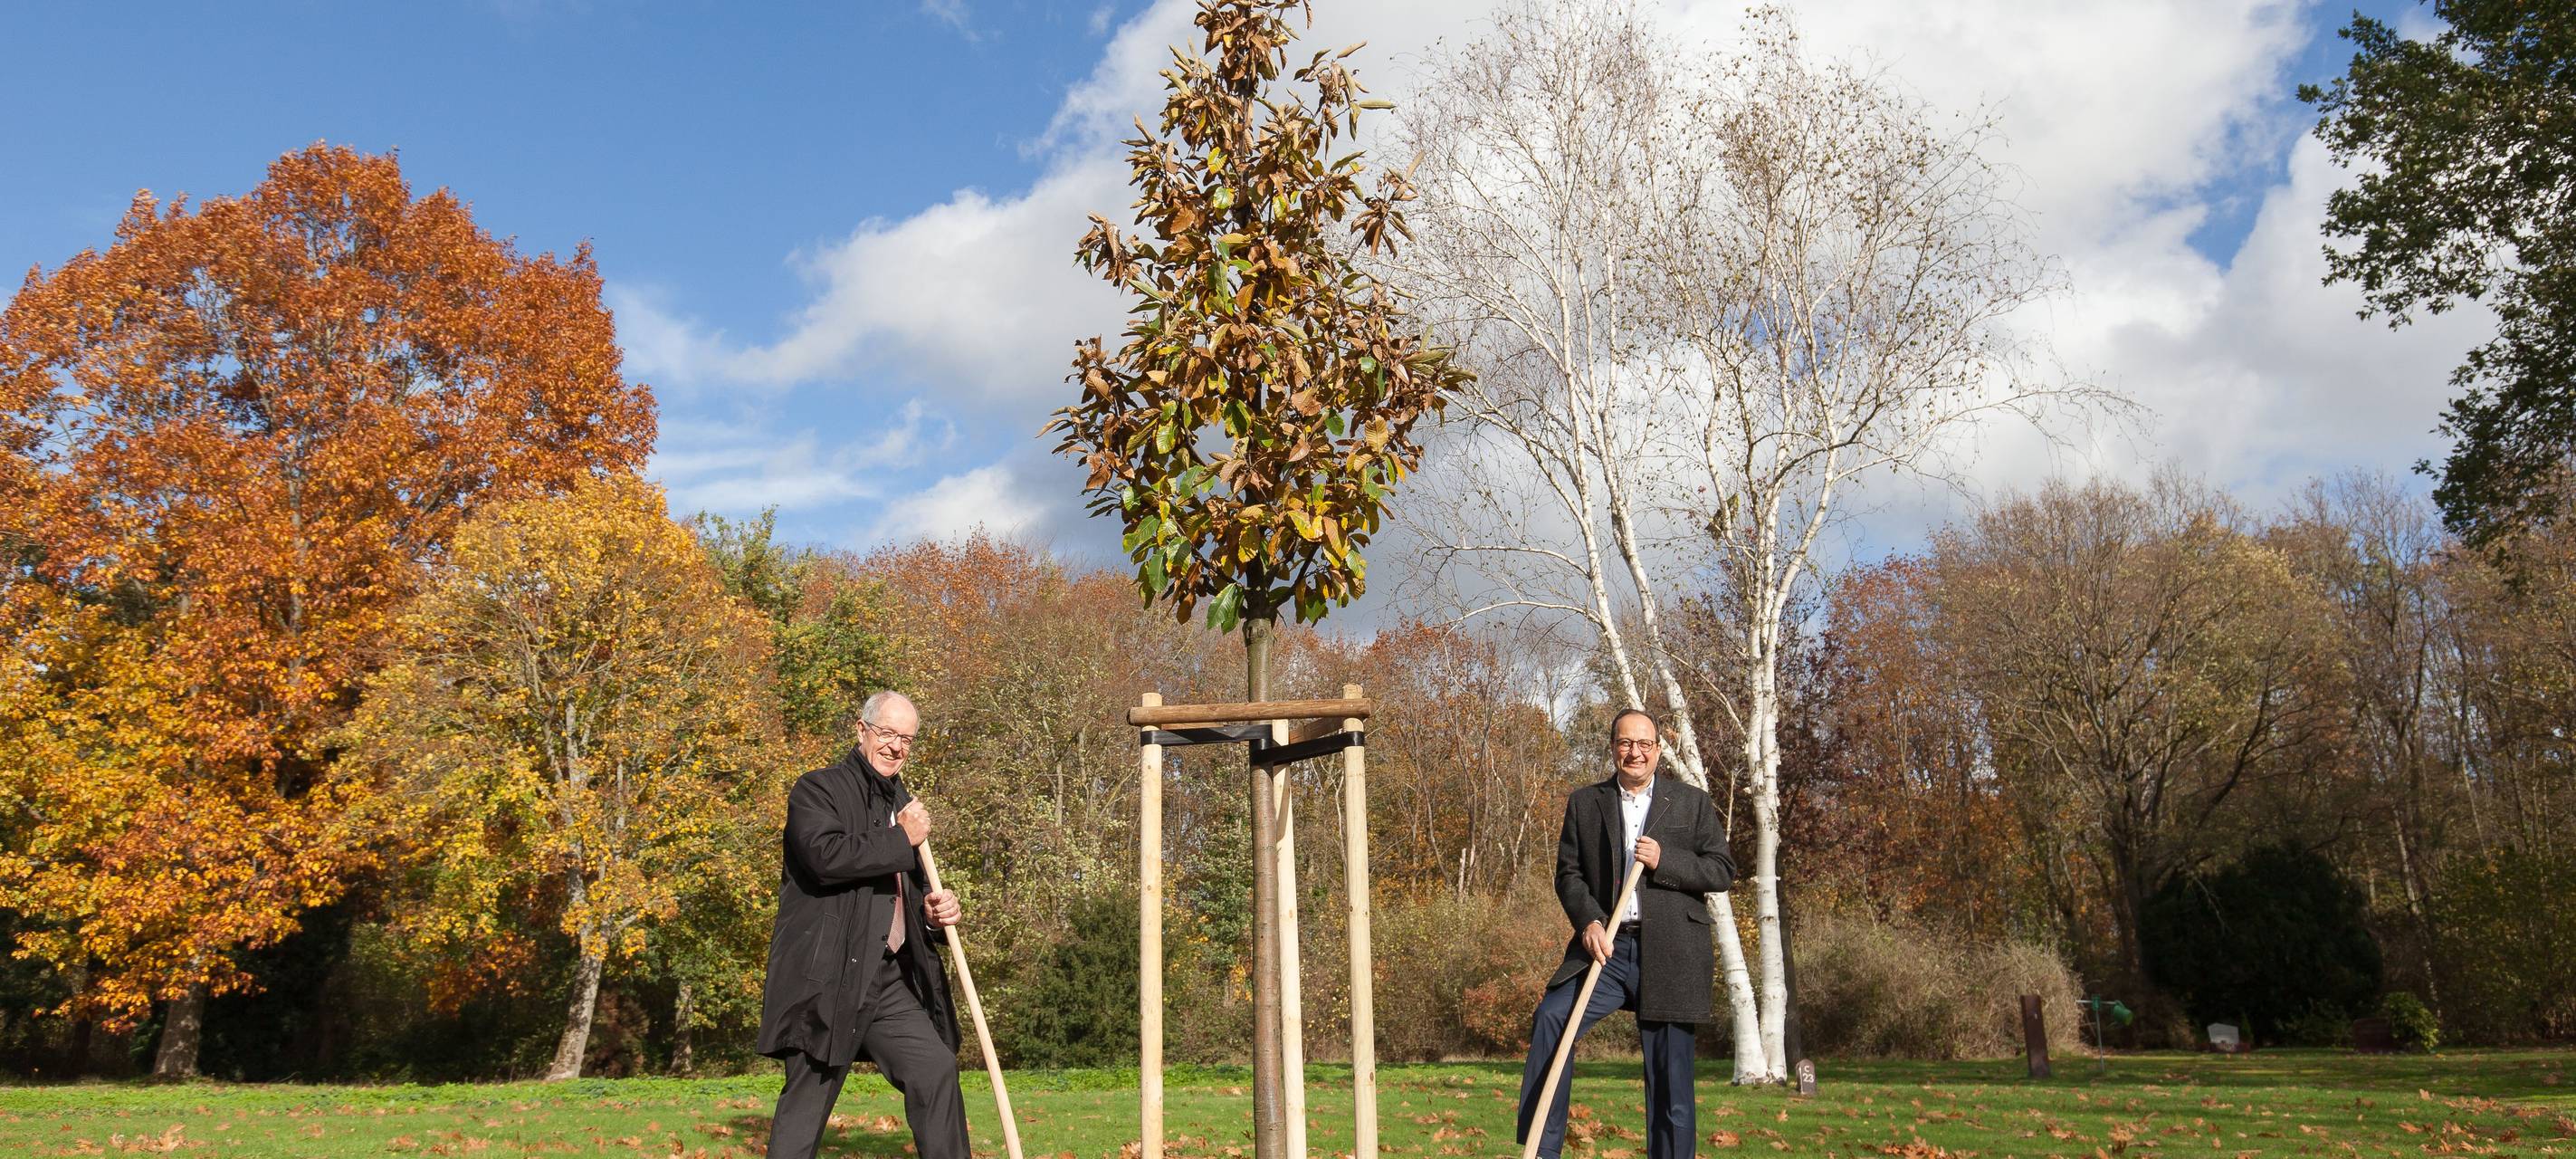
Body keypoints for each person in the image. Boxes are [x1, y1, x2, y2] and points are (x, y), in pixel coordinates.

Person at [1515, 708, 1736, 1159]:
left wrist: (1665, 860)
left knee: (1670, 1075)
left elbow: (1722, 870)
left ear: (1657, 748)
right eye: (1625, 743)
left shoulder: (1690, 802)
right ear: (1613, 746)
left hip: (1672, 953)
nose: (1634, 752)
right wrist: (1589, 921)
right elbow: (1569, 875)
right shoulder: (1585, 802)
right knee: (1553, 1018)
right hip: (1607, 951)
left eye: (1644, 744)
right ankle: (1541, 1149)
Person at [756, 691, 968, 1159]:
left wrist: (932, 915)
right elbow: (825, 858)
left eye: (907, 739)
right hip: (827, 978)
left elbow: (896, 898)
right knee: (806, 1108)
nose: (896, 747)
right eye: (888, 733)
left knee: (934, 1069)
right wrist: (901, 837)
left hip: (887, 980)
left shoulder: (904, 804)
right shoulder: (817, 790)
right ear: (862, 730)